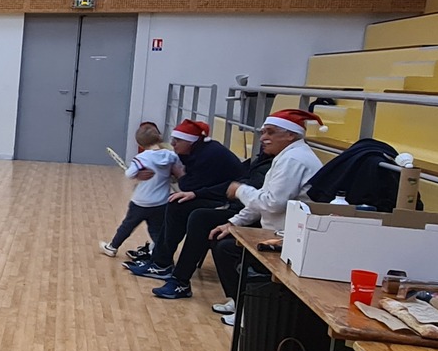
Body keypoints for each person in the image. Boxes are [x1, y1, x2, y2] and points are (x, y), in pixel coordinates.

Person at [203, 108, 325, 323]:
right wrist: (233, 223)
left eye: (270, 132)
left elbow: (272, 203)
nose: (263, 138)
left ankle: (248, 313)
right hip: (275, 232)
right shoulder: (287, 156)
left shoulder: (294, 159)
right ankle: (239, 301)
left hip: (291, 239)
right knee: (221, 237)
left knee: (226, 249)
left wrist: (240, 190)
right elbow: (262, 199)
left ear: (291, 134)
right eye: (263, 132)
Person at [126, 120, 243, 278]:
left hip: (233, 203)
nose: (172, 143)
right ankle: (159, 260)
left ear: (190, 141)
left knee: (180, 206)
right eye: (173, 139)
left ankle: (164, 265)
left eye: (178, 140)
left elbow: (189, 186)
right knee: (176, 203)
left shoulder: (209, 155)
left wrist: (178, 173)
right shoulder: (195, 151)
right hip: (215, 194)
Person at [99, 124, 180, 257]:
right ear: (159, 138)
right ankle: (159, 253)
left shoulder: (141, 158)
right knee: (157, 230)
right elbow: (176, 172)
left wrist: (137, 174)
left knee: (127, 226)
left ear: (140, 144)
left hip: (141, 202)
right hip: (161, 202)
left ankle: (112, 247)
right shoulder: (171, 155)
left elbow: (129, 174)